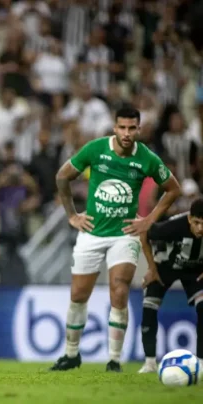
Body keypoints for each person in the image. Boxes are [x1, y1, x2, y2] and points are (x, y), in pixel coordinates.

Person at [51, 106, 181, 372]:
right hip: (91, 231)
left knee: (119, 289)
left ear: (139, 129)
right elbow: (62, 176)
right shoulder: (95, 149)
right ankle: (71, 354)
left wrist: (149, 220)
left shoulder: (146, 158)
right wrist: (73, 215)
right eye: (122, 127)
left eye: (132, 128)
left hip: (124, 234)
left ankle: (114, 360)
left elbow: (173, 189)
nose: (127, 133)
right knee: (78, 295)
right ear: (114, 127)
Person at [138, 199, 203, 373]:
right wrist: (151, 268)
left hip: (195, 270)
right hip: (165, 266)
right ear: (190, 219)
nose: (200, 229)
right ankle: (150, 363)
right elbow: (144, 234)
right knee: (149, 306)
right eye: (197, 223)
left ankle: (201, 363)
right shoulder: (172, 227)